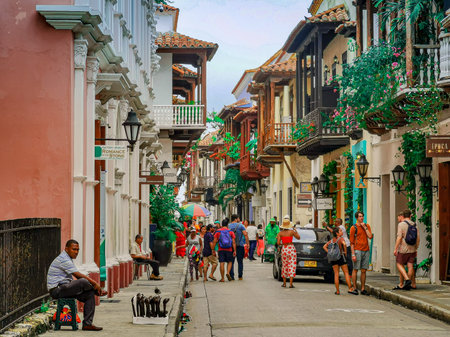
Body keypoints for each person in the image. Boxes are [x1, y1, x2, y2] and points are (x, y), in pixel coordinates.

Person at [47, 239, 107, 331]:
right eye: (74, 249)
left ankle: (87, 324)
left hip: (65, 288)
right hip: (57, 290)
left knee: (89, 294)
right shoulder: (63, 258)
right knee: (83, 281)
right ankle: (97, 291)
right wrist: (95, 284)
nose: (76, 252)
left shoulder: (68, 258)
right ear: (66, 249)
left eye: (77, 250)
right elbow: (77, 275)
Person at [323, 227, 357, 295]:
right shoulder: (341, 239)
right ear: (337, 233)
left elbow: (324, 246)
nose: (342, 232)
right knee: (346, 273)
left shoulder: (332, 240)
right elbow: (344, 244)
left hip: (333, 258)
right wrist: (345, 252)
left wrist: (329, 252)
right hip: (341, 257)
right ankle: (350, 288)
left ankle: (337, 291)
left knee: (336, 274)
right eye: (340, 231)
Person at [393, 209, 419, 290]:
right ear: (410, 216)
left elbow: (399, 237)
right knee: (410, 265)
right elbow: (418, 238)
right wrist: (416, 248)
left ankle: (407, 279)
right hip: (412, 248)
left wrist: (395, 248)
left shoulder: (401, 224)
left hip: (403, 248)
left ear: (403, 216)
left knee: (399, 263)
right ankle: (409, 283)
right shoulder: (415, 224)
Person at [350, 211, 373, 295]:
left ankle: (363, 288)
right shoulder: (353, 228)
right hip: (357, 250)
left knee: (364, 270)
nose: (361, 218)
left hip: (366, 250)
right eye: (360, 216)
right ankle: (355, 288)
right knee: (355, 269)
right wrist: (353, 254)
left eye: (362, 216)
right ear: (357, 218)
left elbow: (370, 236)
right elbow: (351, 242)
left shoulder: (367, 226)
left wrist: (365, 227)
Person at [276, 217, 300, 288]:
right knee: (291, 265)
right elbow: (298, 237)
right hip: (291, 248)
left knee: (285, 265)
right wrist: (295, 230)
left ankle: (284, 283)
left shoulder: (280, 233)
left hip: (284, 249)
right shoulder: (291, 232)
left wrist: (283, 244)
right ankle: (291, 284)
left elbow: (278, 243)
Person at [228, 214, 249, 280]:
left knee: (231, 261)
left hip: (230, 246)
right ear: (235, 219)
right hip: (240, 245)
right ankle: (240, 276)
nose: (239, 219)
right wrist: (247, 243)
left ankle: (231, 276)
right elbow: (245, 234)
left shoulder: (228, 226)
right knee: (240, 261)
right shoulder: (240, 226)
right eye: (238, 218)